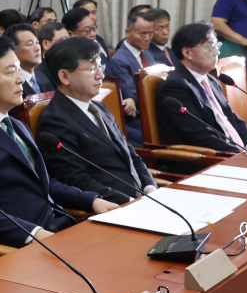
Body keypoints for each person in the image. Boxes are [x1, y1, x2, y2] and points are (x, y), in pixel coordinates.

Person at [0, 37, 117, 247]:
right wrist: (34, 233)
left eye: (19, 69)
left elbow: (43, 183)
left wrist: (92, 200)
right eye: (10, 72)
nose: (20, 79)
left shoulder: (16, 125)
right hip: (23, 246)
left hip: (57, 229)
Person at [37, 38, 157, 204]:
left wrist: (149, 187)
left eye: (101, 67)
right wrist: (129, 201)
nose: (101, 75)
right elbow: (76, 180)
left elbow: (130, 154)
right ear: (65, 76)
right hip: (113, 207)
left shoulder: (100, 108)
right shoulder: (55, 120)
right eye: (92, 69)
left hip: (142, 199)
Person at [156, 23, 247, 151]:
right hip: (207, 157)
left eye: (217, 45)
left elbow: (232, 118)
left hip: (233, 151)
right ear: (187, 52)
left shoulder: (211, 80)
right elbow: (199, 135)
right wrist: (240, 154)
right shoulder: (175, 87)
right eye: (211, 46)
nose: (217, 52)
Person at [104, 8, 156, 145]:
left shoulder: (146, 53)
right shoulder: (120, 60)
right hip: (137, 118)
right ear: (128, 32)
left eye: (150, 33)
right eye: (143, 33)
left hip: (154, 111)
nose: (147, 38)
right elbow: (132, 94)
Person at [4, 24, 48, 95]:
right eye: (30, 44)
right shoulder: (10, 82)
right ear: (13, 49)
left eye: (37, 42)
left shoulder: (42, 76)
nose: (37, 48)